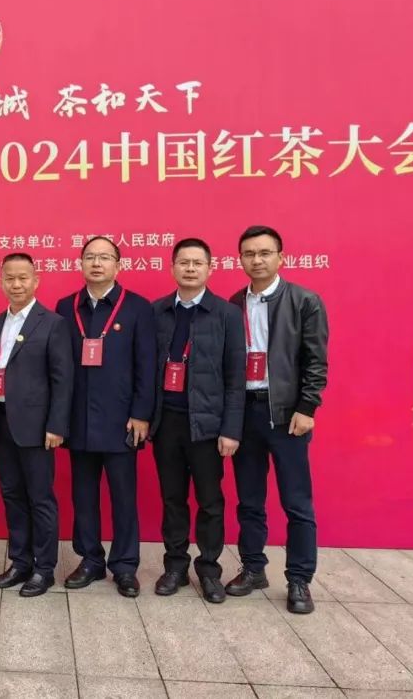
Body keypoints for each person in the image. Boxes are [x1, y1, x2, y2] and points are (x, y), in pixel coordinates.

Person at [226, 225, 328, 614]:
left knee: (296, 502)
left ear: (280, 257)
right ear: (240, 259)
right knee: (249, 500)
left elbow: (316, 361)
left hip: (286, 414)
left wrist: (307, 407)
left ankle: (299, 579)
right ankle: (253, 569)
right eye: (249, 253)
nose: (257, 260)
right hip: (246, 412)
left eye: (264, 253)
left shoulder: (304, 301)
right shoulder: (235, 303)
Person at [55, 236, 155, 598]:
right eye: (90, 257)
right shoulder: (67, 307)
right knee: (83, 495)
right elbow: (59, 367)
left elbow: (147, 366)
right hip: (79, 419)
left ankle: (125, 566)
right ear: (80, 264)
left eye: (105, 257)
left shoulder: (137, 308)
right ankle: (90, 560)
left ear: (118, 265)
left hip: (121, 420)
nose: (96, 263)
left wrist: (141, 414)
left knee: (123, 496)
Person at [149, 238, 245, 603]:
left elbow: (235, 377)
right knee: (172, 498)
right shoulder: (157, 311)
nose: (190, 268)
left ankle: (209, 570)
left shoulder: (226, 314)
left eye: (197, 263)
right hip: (167, 423)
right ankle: (175, 566)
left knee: (210, 502)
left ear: (210, 268)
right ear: (172, 267)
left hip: (207, 426)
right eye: (183, 262)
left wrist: (230, 429)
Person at [0, 253, 73, 597]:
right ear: (1, 281)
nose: (16, 284)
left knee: (40, 497)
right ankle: (20, 562)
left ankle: (44, 569)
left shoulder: (53, 323)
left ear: (36, 280)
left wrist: (56, 425)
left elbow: (63, 379)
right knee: (12, 494)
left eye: (23, 278)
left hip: (37, 426)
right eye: (10, 278)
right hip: (1, 421)